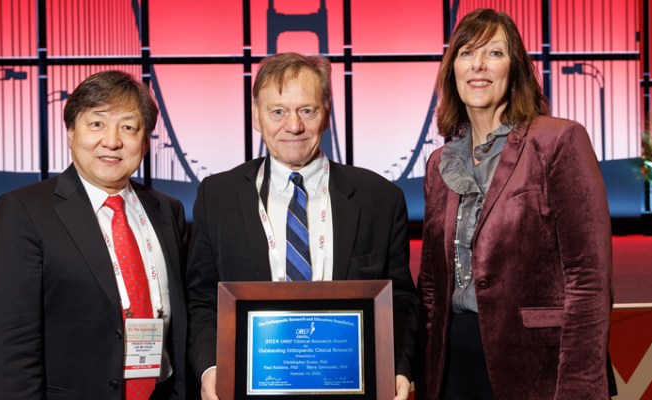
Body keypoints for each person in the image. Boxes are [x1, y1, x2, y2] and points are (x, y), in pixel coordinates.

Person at [186, 52, 420, 400]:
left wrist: (398, 366)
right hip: (249, 388)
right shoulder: (216, 197)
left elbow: (400, 299)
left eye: (307, 110)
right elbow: (202, 299)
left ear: (326, 112)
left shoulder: (380, 198)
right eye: (277, 111)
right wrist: (210, 368)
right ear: (256, 115)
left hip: (352, 388)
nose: (293, 126)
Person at [415, 8, 614, 399]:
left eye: (495, 53)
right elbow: (431, 288)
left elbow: (589, 278)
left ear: (515, 68)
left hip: (538, 368)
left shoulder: (558, 142)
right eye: (467, 53)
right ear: (452, 69)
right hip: (452, 371)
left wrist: (577, 386)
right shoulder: (440, 164)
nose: (479, 65)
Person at [0, 70, 192, 399]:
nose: (112, 141)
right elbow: (9, 344)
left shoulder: (167, 211)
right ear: (70, 132)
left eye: (128, 127)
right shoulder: (24, 212)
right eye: (97, 124)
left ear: (145, 141)